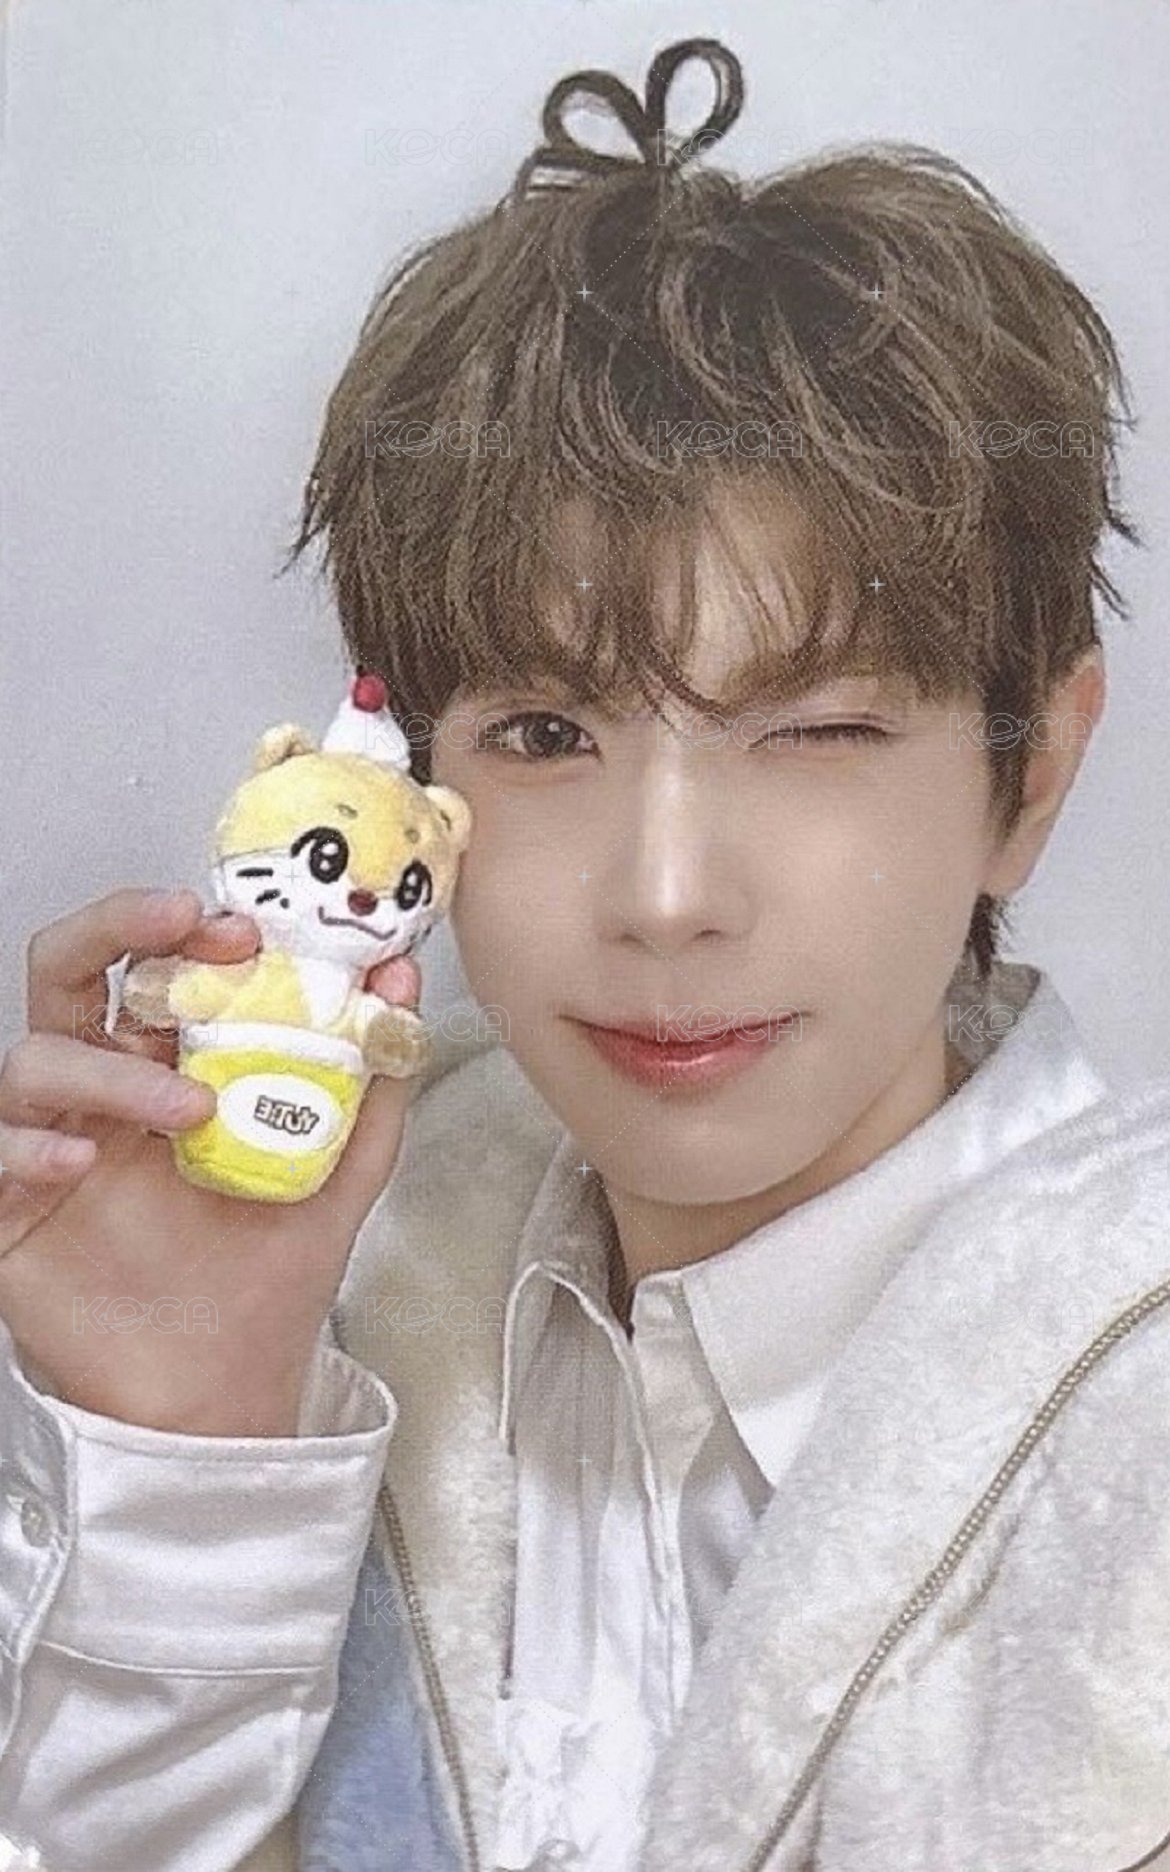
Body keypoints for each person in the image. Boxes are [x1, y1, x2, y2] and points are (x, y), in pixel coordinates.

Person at [1, 33, 1168, 1872]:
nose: (664, 893)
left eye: (818, 730)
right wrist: (191, 1434)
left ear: (1027, 776)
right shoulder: (354, 1284)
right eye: (546, 734)